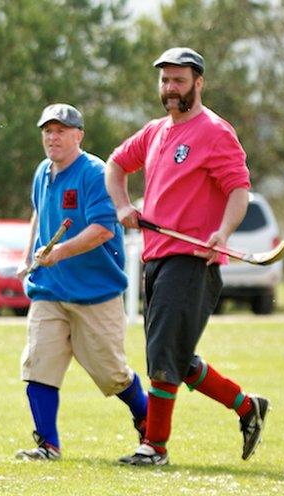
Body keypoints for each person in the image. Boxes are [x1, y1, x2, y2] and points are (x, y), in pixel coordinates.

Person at [105, 47, 270, 466]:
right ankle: (247, 406)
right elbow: (116, 164)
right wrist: (124, 206)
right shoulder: (156, 131)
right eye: (165, 80)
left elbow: (238, 190)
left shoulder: (215, 131)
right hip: (156, 256)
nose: (170, 88)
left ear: (199, 82)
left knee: (164, 354)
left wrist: (223, 231)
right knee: (174, 355)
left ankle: (154, 446)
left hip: (194, 258)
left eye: (178, 80)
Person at [13, 104, 147, 461]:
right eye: (47, 131)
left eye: (61, 131)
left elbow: (104, 229)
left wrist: (61, 252)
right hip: (49, 289)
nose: (52, 137)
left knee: (112, 374)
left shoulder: (94, 173)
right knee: (38, 363)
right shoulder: (43, 171)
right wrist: (30, 257)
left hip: (95, 292)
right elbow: (39, 213)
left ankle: (149, 423)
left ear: (79, 135)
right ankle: (47, 445)